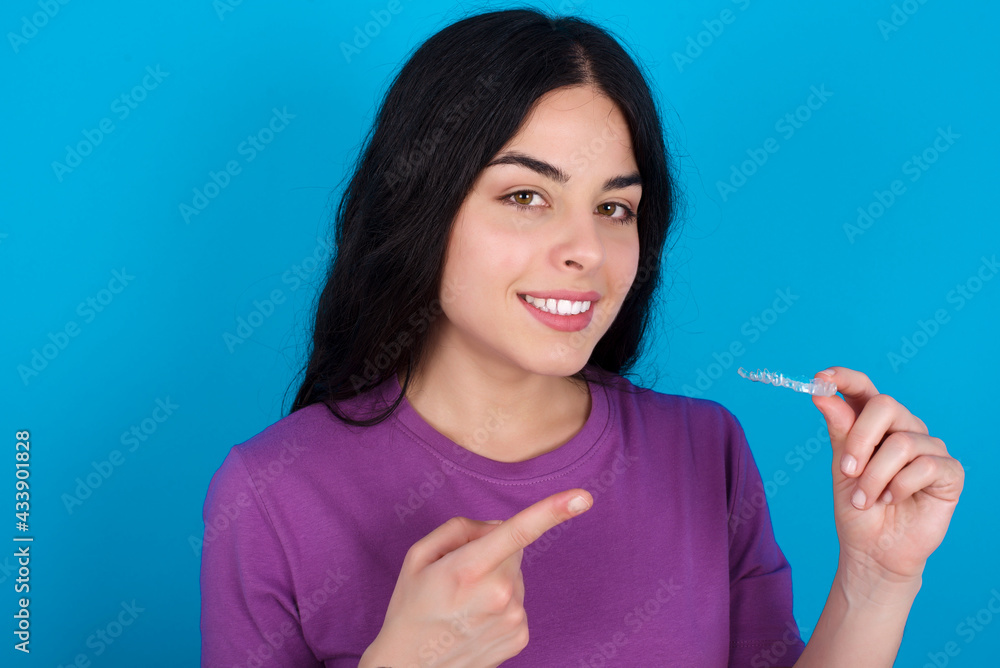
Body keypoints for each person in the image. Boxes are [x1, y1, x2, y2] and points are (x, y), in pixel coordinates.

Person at [198, 8, 964, 667]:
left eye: (614, 208)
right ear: (420, 207)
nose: (586, 252)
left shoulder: (707, 452)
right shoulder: (271, 493)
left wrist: (878, 578)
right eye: (526, 196)